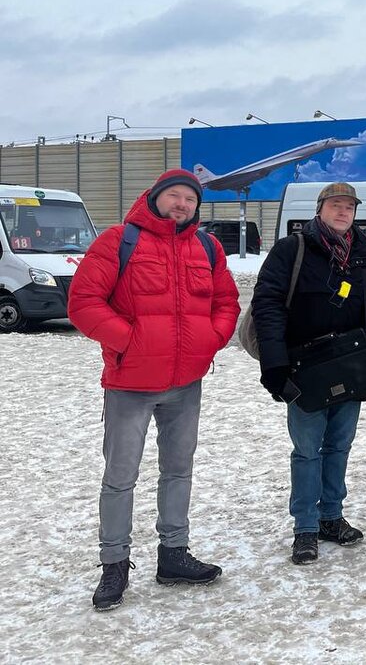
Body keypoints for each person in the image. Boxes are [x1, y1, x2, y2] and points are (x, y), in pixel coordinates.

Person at [68, 169, 240, 611]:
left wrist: (212, 338)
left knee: (179, 470)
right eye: (175, 196)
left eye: (190, 199)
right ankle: (114, 565)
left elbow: (226, 302)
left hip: (187, 384)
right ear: (156, 197)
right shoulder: (118, 240)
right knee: (120, 477)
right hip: (130, 383)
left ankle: (174, 554)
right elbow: (84, 303)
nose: (182, 205)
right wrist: (129, 342)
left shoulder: (207, 246)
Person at [250, 182, 366, 565]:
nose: (343, 212)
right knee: (307, 451)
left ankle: (331, 516)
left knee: (339, 446)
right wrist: (274, 365)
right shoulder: (292, 249)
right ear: (320, 209)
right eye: (336, 205)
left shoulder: (361, 253)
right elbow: (267, 306)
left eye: (349, 206)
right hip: (305, 368)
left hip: (352, 363)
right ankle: (306, 527)